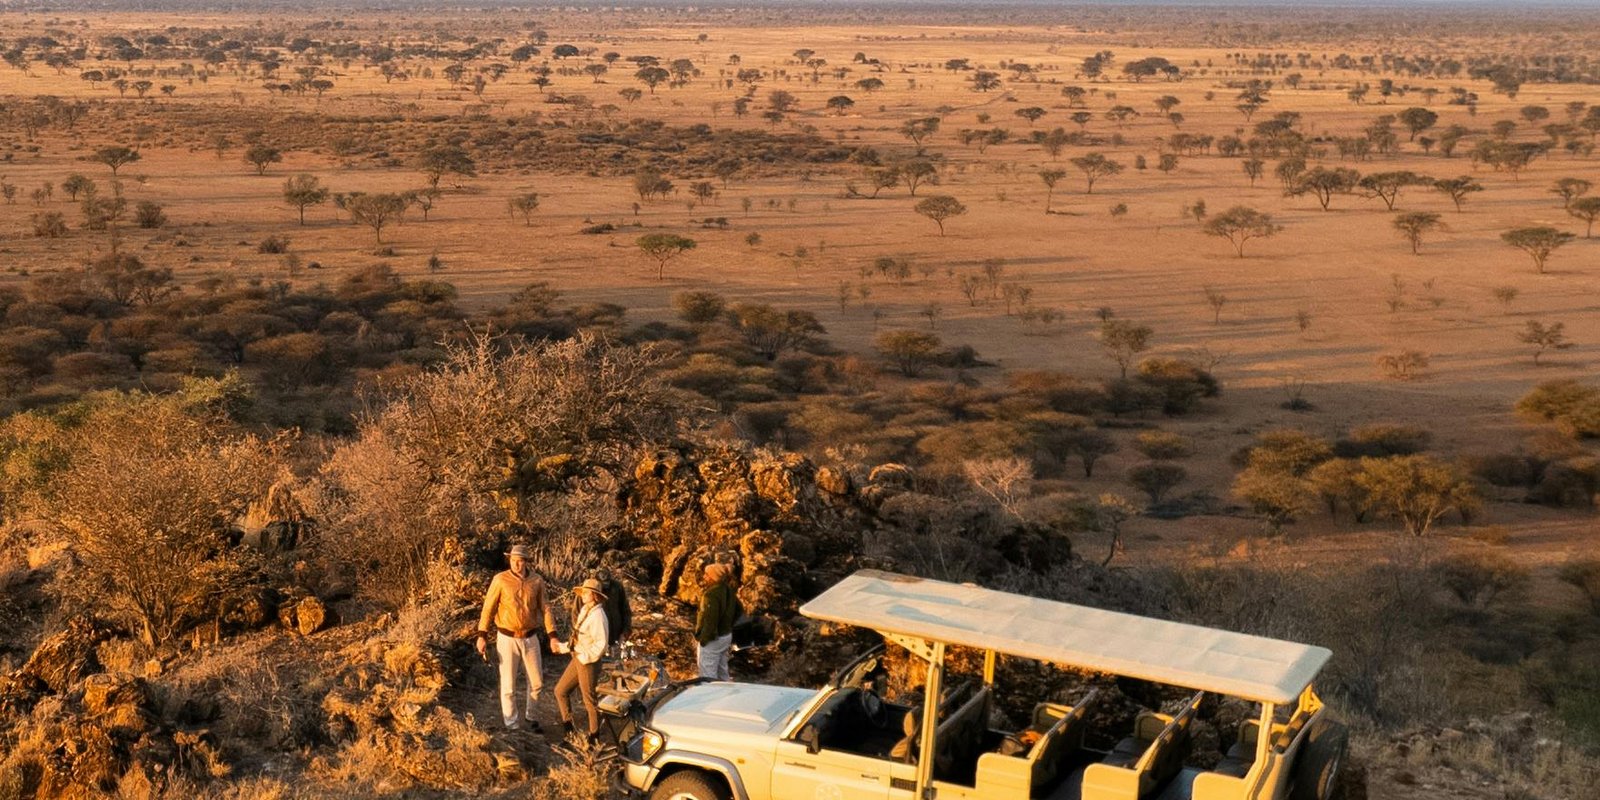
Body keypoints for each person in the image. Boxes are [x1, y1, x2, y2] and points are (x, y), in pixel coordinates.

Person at [476, 543, 557, 732]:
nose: (517, 565)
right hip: (507, 637)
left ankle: (532, 717)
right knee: (508, 685)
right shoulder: (500, 580)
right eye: (513, 561)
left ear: (526, 562)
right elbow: (488, 608)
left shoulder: (536, 581)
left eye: (520, 561)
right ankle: (512, 725)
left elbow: (545, 608)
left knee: (537, 682)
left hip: (530, 637)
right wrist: (482, 635)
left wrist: (552, 635)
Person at [553, 577, 609, 740]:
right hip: (578, 657)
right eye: (583, 592)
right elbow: (577, 637)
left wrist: (585, 657)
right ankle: (569, 732)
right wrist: (564, 647)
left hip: (588, 662)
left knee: (589, 700)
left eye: (586, 592)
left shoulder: (598, 615)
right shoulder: (586, 610)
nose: (583, 595)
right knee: (560, 691)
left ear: (594, 595)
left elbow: (601, 644)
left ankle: (594, 737)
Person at [694, 562, 739, 681]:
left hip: (714, 640)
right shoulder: (729, 590)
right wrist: (728, 625)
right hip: (726, 636)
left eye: (707, 574)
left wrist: (704, 640)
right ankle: (726, 696)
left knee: (707, 675)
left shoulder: (711, 595)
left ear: (713, 577)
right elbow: (739, 610)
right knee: (722, 671)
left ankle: (711, 697)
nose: (704, 577)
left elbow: (710, 620)